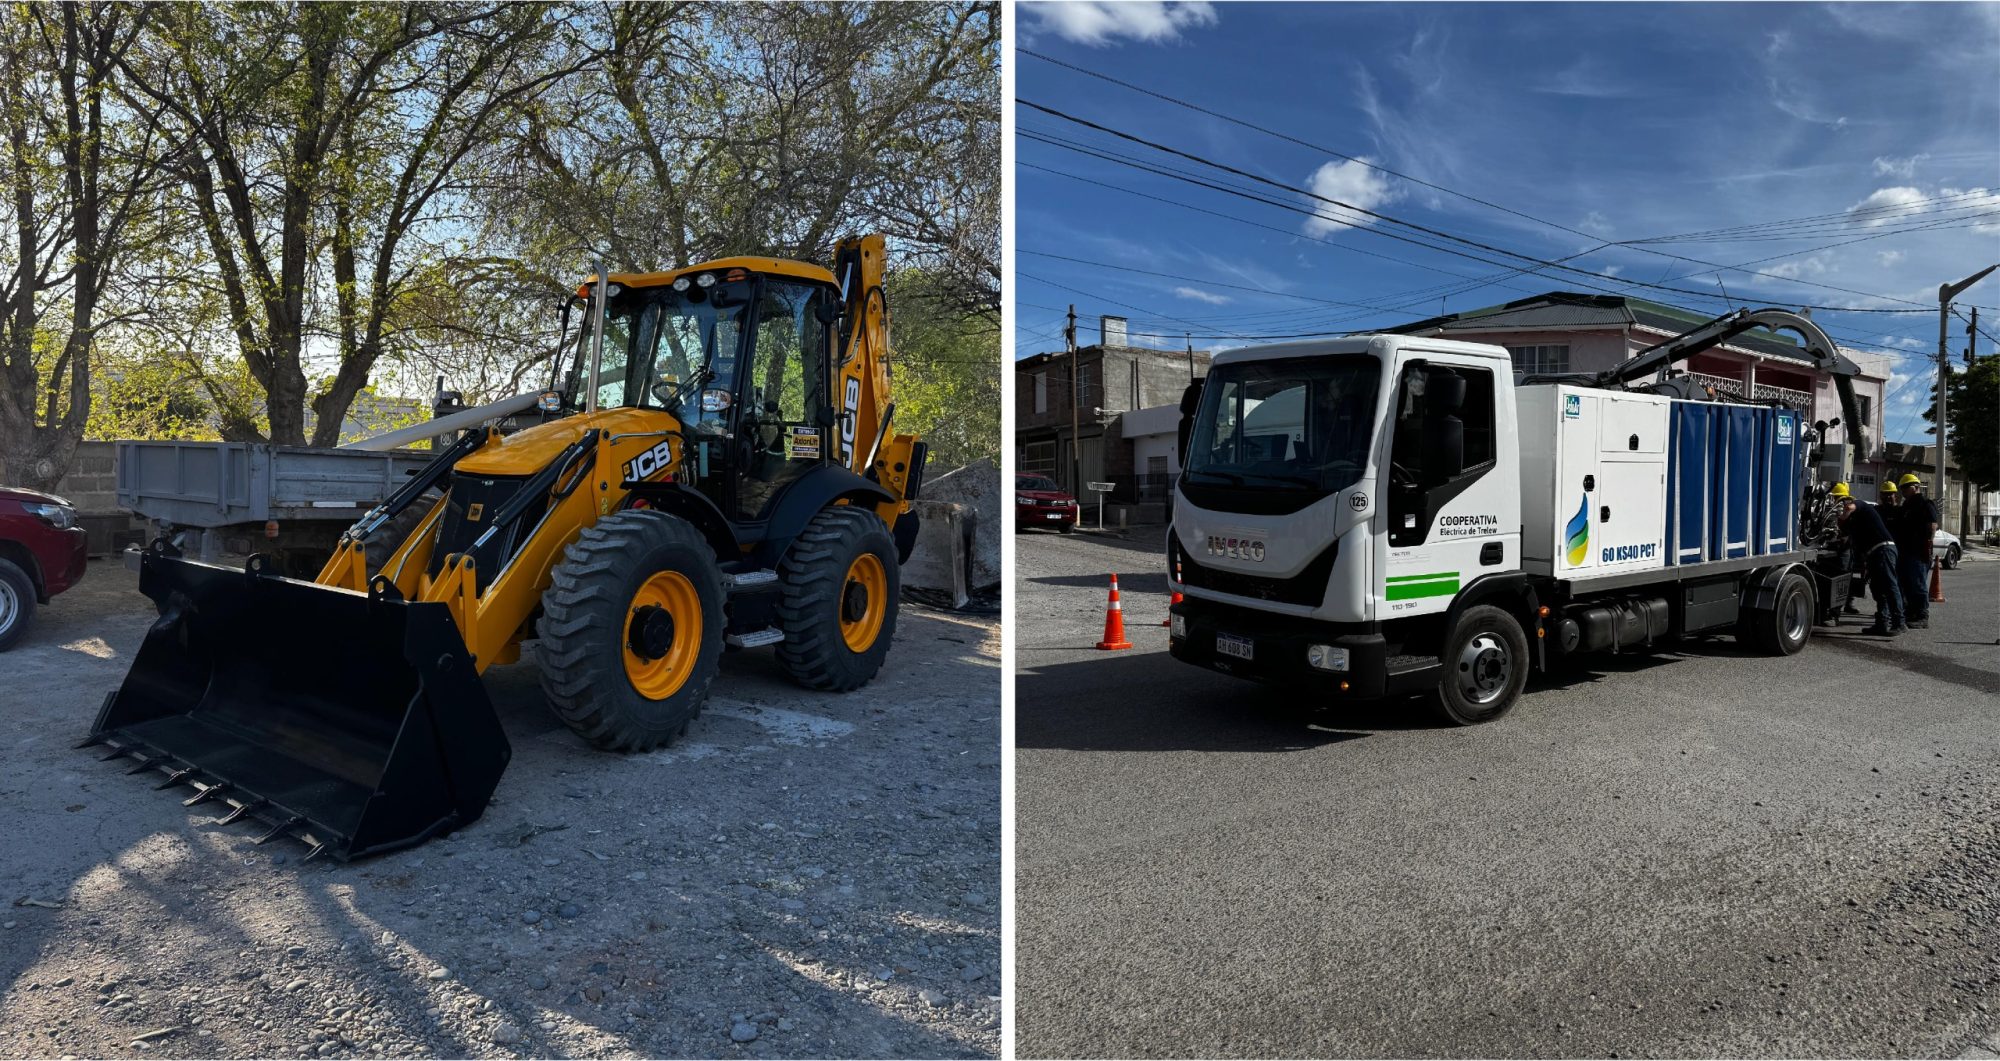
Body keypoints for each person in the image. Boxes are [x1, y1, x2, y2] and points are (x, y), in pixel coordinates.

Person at [1837, 493, 1904, 636]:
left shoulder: (1861, 505)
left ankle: (1899, 622)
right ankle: (1882, 623)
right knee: (1878, 589)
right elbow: (1847, 540)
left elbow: (1850, 507)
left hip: (1884, 549)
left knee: (1889, 585)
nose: (1843, 508)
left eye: (1842, 504)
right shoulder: (1854, 523)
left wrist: (1841, 517)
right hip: (1873, 554)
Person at [1893, 472, 1939, 629]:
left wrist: (1928, 543)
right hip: (1905, 551)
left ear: (1916, 487)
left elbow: (1932, 525)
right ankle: (1910, 612)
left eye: (1906, 487)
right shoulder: (1906, 505)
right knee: (1906, 584)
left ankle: (1922, 615)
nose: (1903, 491)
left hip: (1918, 551)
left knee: (1918, 583)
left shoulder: (1925, 503)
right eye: (1901, 488)